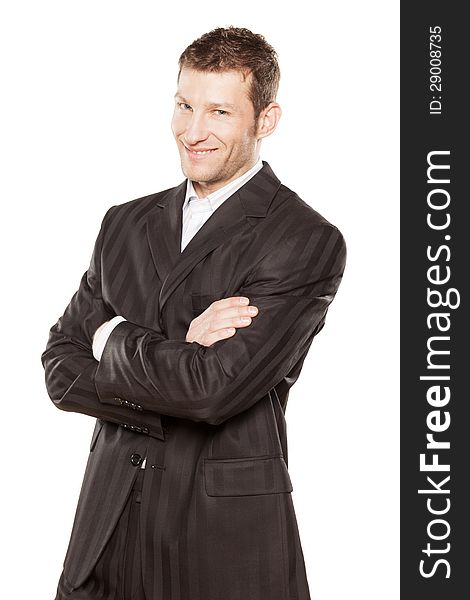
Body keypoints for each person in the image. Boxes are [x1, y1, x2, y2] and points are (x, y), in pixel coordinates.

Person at [42, 25, 347, 600]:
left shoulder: (304, 239)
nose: (193, 131)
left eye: (219, 112)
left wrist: (110, 336)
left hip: (223, 541)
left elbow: (213, 391)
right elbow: (59, 367)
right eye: (184, 105)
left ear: (267, 119)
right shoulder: (123, 223)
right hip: (107, 532)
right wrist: (175, 346)